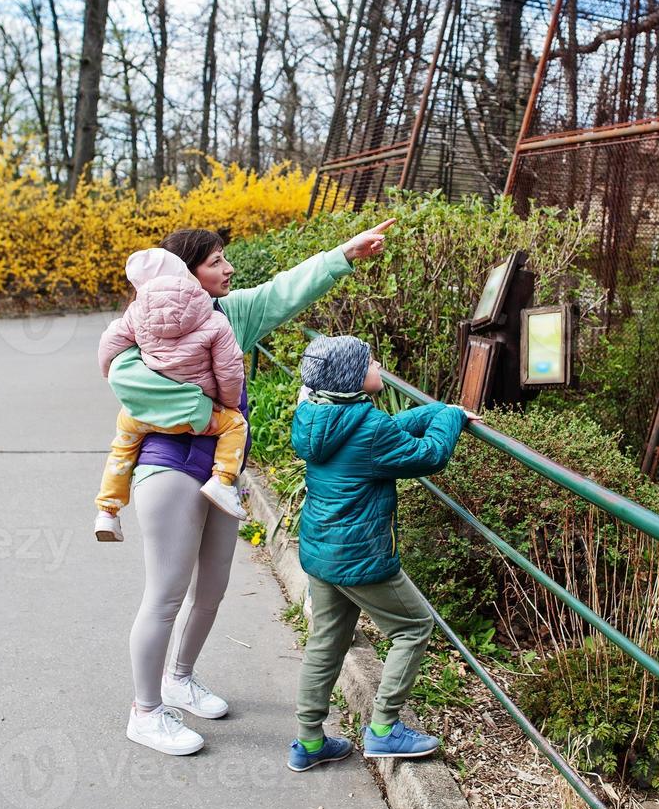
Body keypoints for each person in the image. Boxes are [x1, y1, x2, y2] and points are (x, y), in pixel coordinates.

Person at [102, 220, 394, 757]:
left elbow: (284, 290)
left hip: (222, 471)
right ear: (183, 275)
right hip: (167, 464)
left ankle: (179, 679)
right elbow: (123, 377)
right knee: (165, 594)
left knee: (211, 588)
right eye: (215, 262)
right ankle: (144, 712)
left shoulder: (229, 315)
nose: (228, 268)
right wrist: (203, 412)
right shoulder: (142, 323)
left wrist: (342, 254)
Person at [285, 333, 474, 772]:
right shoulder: (367, 428)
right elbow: (429, 455)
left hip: (322, 550)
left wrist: (442, 411)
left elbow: (387, 430)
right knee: (414, 625)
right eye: (371, 363)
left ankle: (309, 743)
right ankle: (386, 730)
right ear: (353, 378)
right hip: (360, 556)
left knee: (327, 641)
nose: (379, 367)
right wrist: (449, 419)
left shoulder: (319, 415)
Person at [94, 247, 250, 532]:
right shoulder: (210, 314)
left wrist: (107, 370)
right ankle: (222, 481)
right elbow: (229, 368)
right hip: (198, 415)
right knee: (236, 426)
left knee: (122, 448)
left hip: (144, 417)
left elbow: (110, 343)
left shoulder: (136, 313)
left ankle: (108, 510)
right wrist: (226, 402)